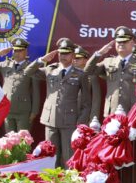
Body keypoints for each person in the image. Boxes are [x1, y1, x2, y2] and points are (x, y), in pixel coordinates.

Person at [24, 38, 91, 167]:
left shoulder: (80, 74)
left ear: (73, 54)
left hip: (69, 122)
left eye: (66, 53)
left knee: (68, 156)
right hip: (50, 119)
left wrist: (80, 124)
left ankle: (68, 179)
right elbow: (27, 72)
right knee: (51, 155)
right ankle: (53, 180)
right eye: (61, 53)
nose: (63, 56)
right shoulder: (50, 70)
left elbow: (86, 103)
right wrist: (41, 60)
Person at [86, 26, 136, 117]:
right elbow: (87, 71)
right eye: (118, 41)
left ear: (132, 43)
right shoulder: (108, 61)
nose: (121, 44)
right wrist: (99, 53)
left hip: (133, 112)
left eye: (124, 41)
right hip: (112, 111)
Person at [0, 38, 40, 132]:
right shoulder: (5, 65)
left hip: (24, 112)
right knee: (9, 139)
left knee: (22, 139)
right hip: (7, 110)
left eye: (20, 50)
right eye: (15, 50)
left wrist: (34, 112)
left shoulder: (31, 67)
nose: (17, 53)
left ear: (26, 51)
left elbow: (36, 92)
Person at [72, 46, 101, 120]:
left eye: (78, 58)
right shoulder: (66, 74)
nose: (75, 60)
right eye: (73, 58)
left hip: (83, 116)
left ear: (85, 60)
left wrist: (94, 118)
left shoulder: (91, 76)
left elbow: (95, 100)